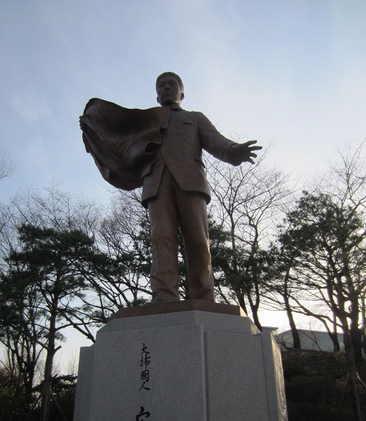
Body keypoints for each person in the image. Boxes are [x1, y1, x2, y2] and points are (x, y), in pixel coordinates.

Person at [80, 72, 261, 303]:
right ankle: (164, 297)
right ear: (157, 95)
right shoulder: (145, 121)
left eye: (171, 84)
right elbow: (117, 131)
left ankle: (203, 298)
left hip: (191, 183)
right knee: (161, 239)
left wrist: (235, 151)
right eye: (161, 85)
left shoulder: (195, 118)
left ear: (181, 93)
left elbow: (216, 142)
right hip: (156, 182)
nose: (166, 88)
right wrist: (92, 124)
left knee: (197, 240)